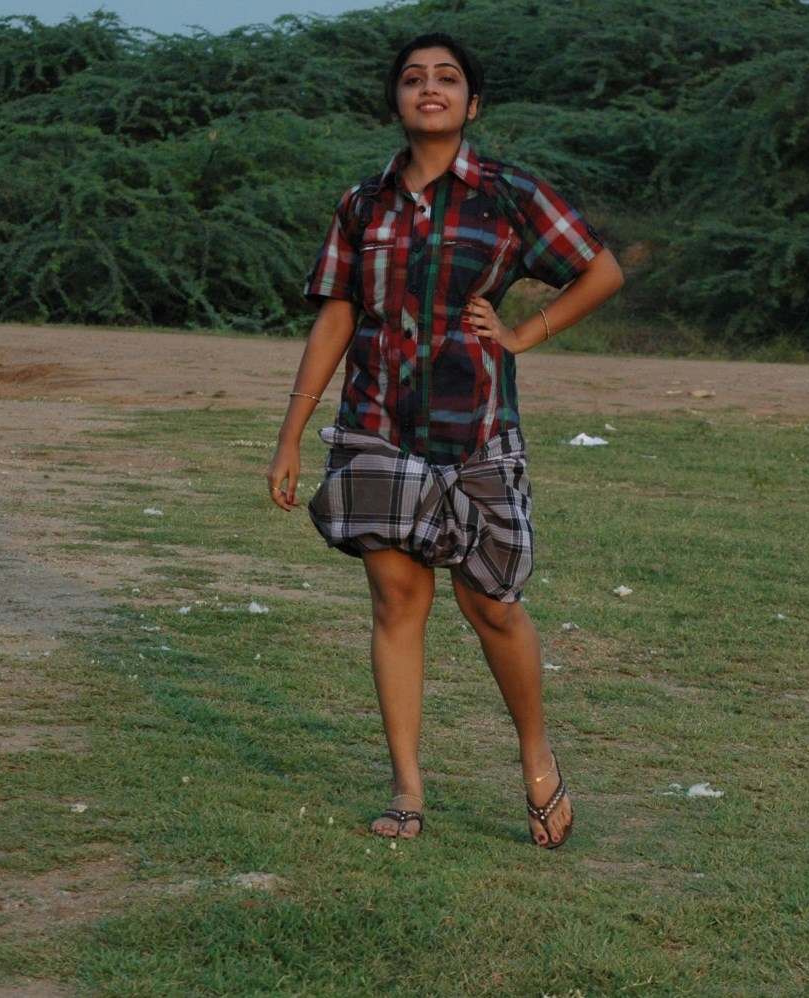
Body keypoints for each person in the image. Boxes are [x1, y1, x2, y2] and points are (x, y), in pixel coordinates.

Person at [265, 32, 624, 849]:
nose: (429, 88)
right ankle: (406, 786)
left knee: (490, 605)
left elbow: (599, 270)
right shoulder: (363, 204)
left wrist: (524, 332)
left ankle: (536, 757)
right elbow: (336, 317)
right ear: (396, 100)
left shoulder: (507, 194)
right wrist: (290, 434)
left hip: (476, 426)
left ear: (472, 103)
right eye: (413, 78)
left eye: (447, 78)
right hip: (376, 422)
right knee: (397, 601)